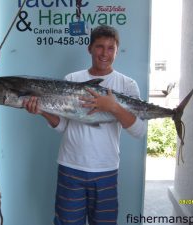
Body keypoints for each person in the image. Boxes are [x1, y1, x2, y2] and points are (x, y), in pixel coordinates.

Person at [23, 25, 147, 225]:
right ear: (89, 48)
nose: (104, 53)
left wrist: (113, 107)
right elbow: (63, 125)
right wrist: (42, 111)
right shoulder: (72, 79)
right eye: (99, 47)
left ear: (116, 50)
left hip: (106, 169)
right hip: (70, 166)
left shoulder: (127, 84)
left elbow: (139, 131)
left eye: (110, 48)